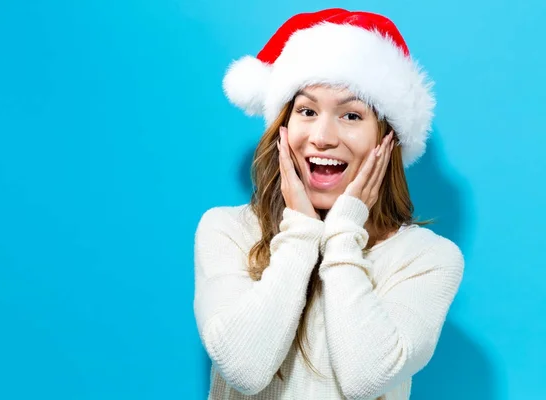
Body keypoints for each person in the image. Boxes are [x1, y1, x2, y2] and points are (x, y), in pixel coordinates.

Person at [193, 8, 464, 400]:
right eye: (306, 111)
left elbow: (366, 378)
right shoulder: (227, 231)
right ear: (282, 128)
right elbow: (245, 369)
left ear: (386, 141)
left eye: (351, 115)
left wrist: (342, 233)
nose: (321, 136)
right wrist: (303, 231)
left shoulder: (427, 259)